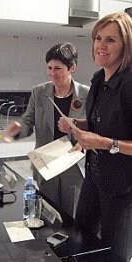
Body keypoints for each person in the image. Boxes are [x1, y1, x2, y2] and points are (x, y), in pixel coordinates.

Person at [58, 12, 132, 262]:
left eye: (111, 40)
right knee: (82, 242)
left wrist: (102, 143)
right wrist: (80, 124)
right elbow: (110, 122)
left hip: (122, 189)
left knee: (113, 255)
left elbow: (113, 136)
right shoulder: (99, 80)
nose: (101, 45)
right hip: (94, 178)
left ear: (127, 45)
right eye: (98, 38)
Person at [3, 42, 89, 210]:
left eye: (58, 69)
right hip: (46, 162)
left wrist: (82, 144)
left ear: (72, 68)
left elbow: (93, 128)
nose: (52, 73)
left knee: (71, 216)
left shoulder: (87, 94)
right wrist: (18, 128)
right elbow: (28, 120)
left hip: (73, 164)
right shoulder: (39, 92)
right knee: (48, 213)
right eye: (49, 68)